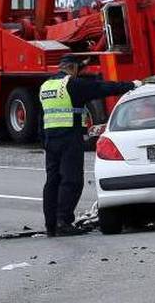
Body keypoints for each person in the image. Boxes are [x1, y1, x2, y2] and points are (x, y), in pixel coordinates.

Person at [40, 54, 140, 237]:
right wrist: (132, 85)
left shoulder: (46, 85)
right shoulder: (72, 85)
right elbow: (102, 88)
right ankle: (63, 222)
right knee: (71, 180)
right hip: (69, 137)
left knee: (52, 181)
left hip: (50, 139)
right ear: (72, 68)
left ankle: (51, 225)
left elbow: (44, 116)